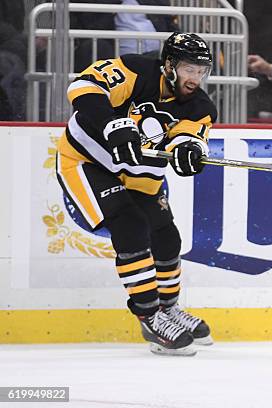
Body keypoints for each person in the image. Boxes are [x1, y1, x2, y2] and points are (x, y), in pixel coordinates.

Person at [55, 32, 216, 356]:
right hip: (88, 162)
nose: (195, 78)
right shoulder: (135, 71)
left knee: (167, 237)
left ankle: (169, 310)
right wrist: (111, 124)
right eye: (189, 69)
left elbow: (188, 140)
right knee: (131, 225)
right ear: (169, 65)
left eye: (201, 71)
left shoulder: (200, 106)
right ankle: (149, 316)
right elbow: (82, 87)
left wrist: (188, 151)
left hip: (140, 176)